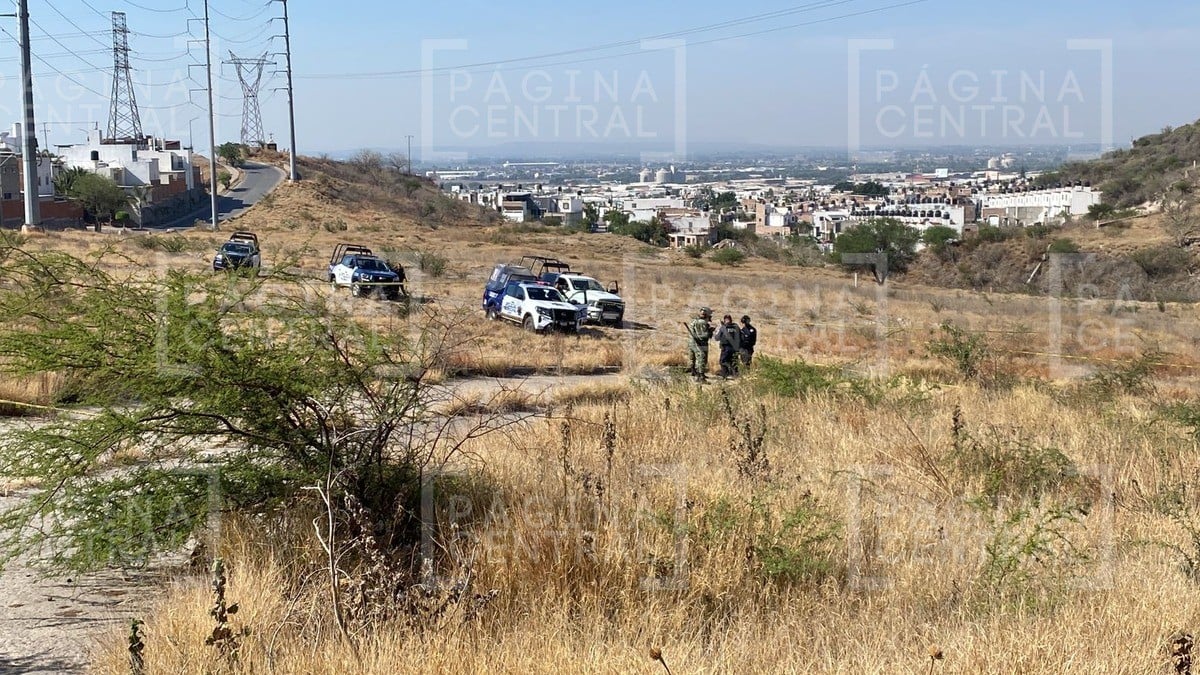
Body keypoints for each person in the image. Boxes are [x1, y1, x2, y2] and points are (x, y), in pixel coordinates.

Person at [687, 307, 714, 382]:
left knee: (694, 358)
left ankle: (694, 371)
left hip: (692, 343)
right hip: (700, 343)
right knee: (701, 358)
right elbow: (703, 335)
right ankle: (701, 376)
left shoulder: (694, 320)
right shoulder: (702, 322)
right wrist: (710, 331)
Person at [716, 314, 742, 378]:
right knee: (734, 361)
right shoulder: (736, 326)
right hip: (735, 348)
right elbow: (741, 336)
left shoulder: (723, 327)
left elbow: (717, 338)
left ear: (725, 320)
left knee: (723, 361)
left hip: (726, 348)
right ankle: (735, 374)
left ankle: (725, 374)